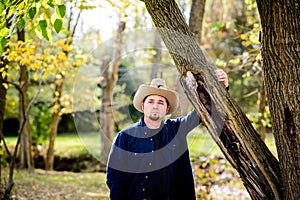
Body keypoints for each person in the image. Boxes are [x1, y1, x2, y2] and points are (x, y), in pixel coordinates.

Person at [106, 70, 229, 200]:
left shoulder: (177, 129)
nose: (155, 106)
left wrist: (220, 87)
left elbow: (203, 111)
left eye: (160, 102)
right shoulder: (125, 137)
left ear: (167, 109)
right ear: (143, 106)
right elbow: (115, 177)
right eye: (151, 101)